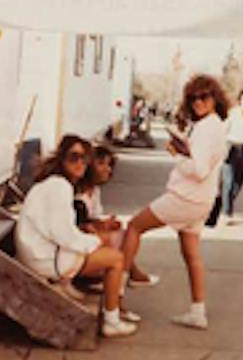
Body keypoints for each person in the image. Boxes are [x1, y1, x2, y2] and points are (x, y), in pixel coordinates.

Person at [121, 74, 228, 330]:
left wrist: (176, 155)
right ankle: (198, 312)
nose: (198, 102)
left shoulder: (205, 128)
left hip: (185, 197)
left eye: (204, 97)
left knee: (134, 227)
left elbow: (199, 170)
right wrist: (185, 149)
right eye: (193, 98)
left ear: (214, 98)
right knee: (191, 254)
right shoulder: (216, 126)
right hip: (202, 201)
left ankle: (116, 298)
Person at [15, 135, 136, 337]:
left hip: (39, 253)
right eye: (74, 157)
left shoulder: (54, 183)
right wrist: (95, 242)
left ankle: (69, 285)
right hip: (45, 259)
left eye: (84, 159)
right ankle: (112, 321)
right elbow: (63, 234)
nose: (80, 163)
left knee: (102, 242)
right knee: (116, 259)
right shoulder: (59, 187)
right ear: (62, 158)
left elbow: (60, 231)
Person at [75, 145, 159, 287]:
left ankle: (126, 274)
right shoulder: (78, 195)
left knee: (121, 233)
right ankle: (122, 276)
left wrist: (105, 223)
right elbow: (80, 224)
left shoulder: (95, 190)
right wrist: (100, 225)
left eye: (109, 165)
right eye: (101, 164)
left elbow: (92, 218)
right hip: (80, 242)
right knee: (121, 237)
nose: (107, 169)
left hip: (89, 235)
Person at [206, 85, 243, 227]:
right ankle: (227, 213)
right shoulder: (233, 114)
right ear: (240, 101)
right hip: (230, 147)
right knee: (229, 181)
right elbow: (222, 131)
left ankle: (222, 202)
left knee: (238, 182)